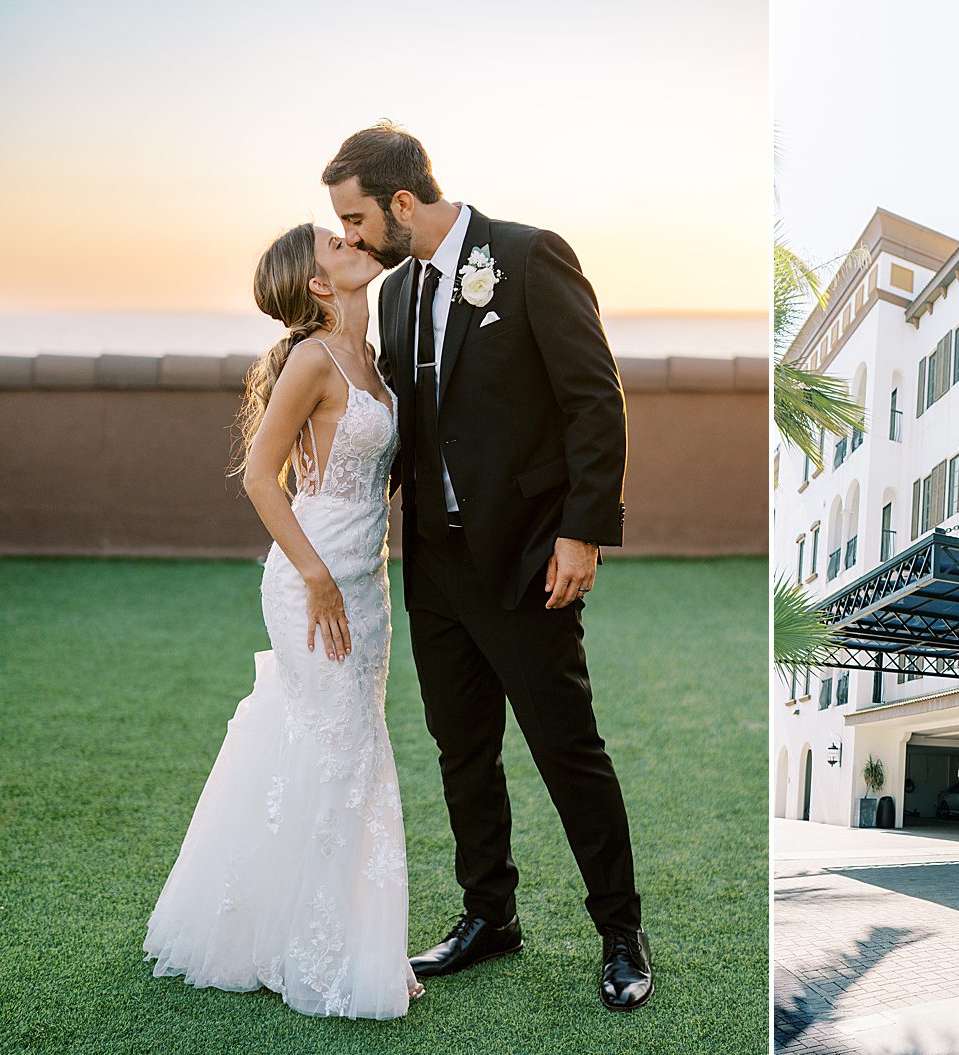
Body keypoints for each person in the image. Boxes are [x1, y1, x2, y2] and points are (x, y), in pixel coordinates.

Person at [321, 122, 652, 1011]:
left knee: (567, 749)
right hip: (434, 567)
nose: (350, 238)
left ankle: (621, 930)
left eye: (355, 219)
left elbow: (594, 399)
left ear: (401, 202)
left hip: (528, 561)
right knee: (462, 751)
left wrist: (583, 532)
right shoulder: (393, 298)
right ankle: (488, 916)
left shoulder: (530, 255)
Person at [143, 223, 424, 1017]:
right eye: (335, 243)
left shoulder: (370, 355)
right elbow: (261, 477)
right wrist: (316, 578)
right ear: (317, 282)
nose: (352, 241)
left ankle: (315, 929)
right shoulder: (312, 358)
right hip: (313, 580)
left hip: (365, 585)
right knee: (340, 746)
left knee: (343, 744)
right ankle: (321, 949)